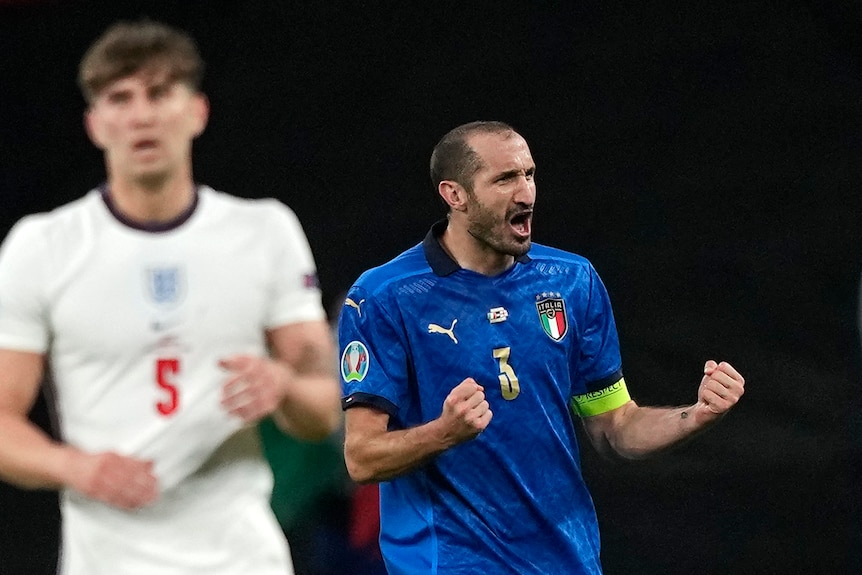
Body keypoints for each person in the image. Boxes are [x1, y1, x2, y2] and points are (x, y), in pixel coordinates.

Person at [0, 19, 342, 575]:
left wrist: (281, 385)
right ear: (94, 123)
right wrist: (75, 467)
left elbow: (323, 409)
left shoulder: (265, 231)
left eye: (160, 93)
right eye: (120, 97)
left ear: (197, 111)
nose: (141, 115)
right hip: (106, 558)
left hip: (240, 556)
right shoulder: (43, 246)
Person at [337, 120, 746, 574]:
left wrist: (696, 415)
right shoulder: (385, 295)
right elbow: (361, 456)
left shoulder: (571, 280)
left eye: (529, 174)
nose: (526, 192)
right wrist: (443, 433)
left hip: (565, 561)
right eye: (505, 179)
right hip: (451, 563)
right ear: (455, 195)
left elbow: (615, 426)